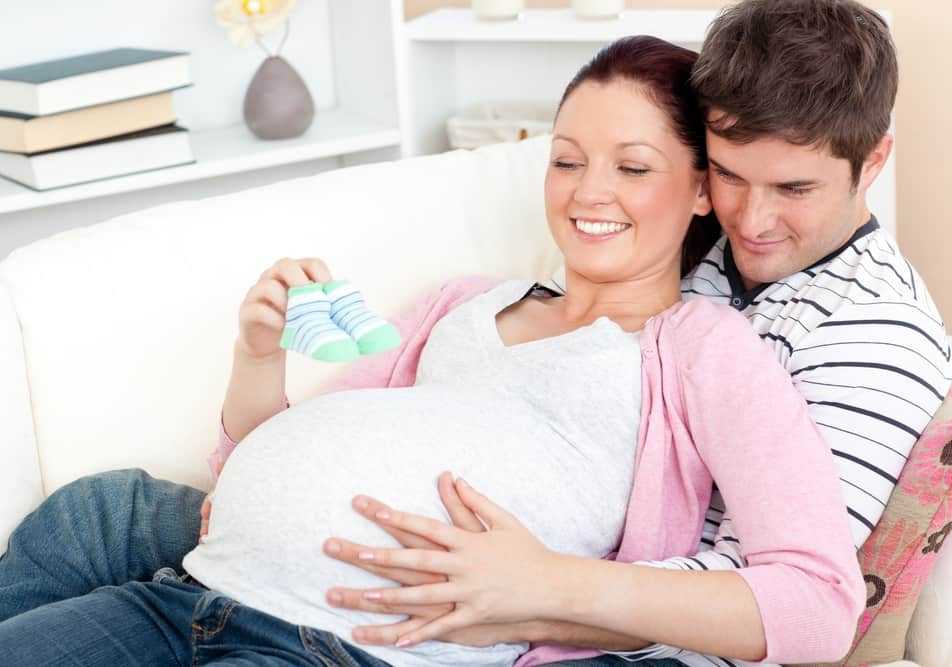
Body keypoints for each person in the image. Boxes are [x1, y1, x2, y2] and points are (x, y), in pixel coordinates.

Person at [0, 35, 863, 667]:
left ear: (703, 190)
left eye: (632, 168)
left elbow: (819, 603)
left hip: (338, 650)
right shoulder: (461, 302)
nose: (588, 192)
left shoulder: (703, 350)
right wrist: (258, 354)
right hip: (182, 594)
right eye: (567, 161)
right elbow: (249, 472)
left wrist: (548, 585)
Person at [316, 2, 952, 666]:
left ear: (872, 160)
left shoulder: (876, 333)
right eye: (729, 176)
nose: (751, 219)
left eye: (794, 188)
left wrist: (539, 591)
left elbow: (789, 590)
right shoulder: (693, 246)